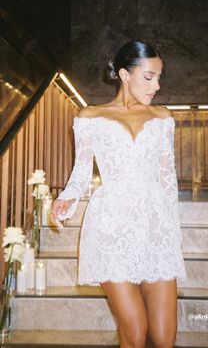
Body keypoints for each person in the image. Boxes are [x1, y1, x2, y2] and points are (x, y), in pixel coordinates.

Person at [51, 40, 187, 348]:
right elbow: (81, 173)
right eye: (148, 77)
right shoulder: (90, 117)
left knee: (165, 339)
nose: (157, 85)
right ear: (124, 75)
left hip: (156, 232)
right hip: (112, 230)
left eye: (159, 77)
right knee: (135, 333)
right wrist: (66, 199)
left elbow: (168, 180)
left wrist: (172, 235)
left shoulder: (163, 118)